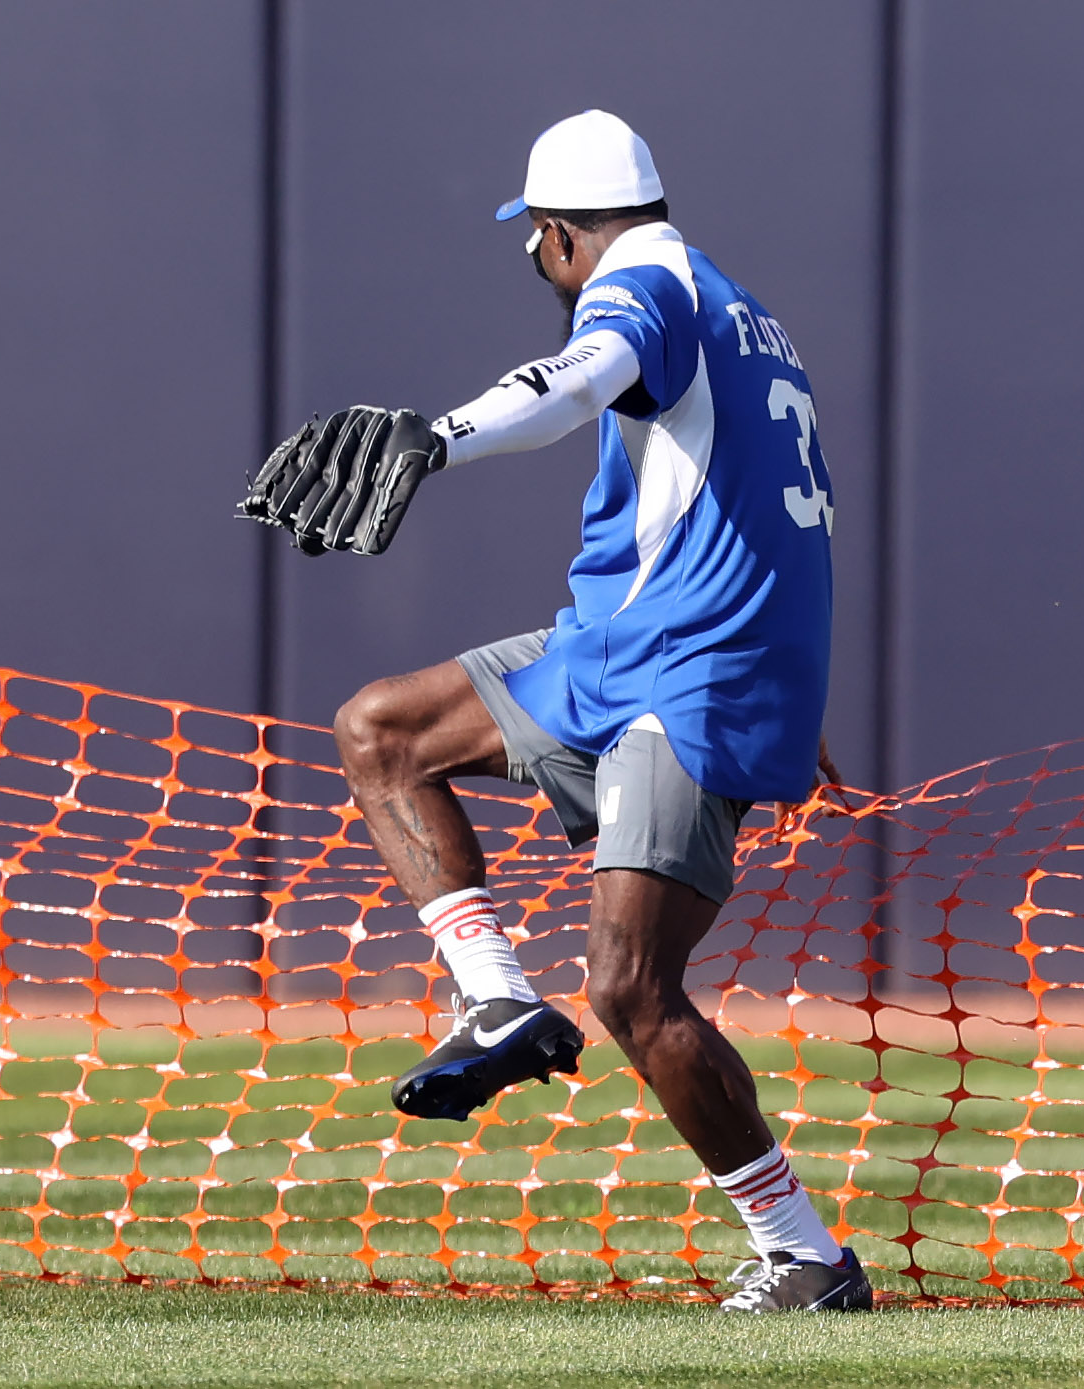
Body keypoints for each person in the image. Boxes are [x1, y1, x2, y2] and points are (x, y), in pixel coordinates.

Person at [330, 110, 866, 1313]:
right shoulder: (737, 308)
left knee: (630, 989)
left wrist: (435, 439)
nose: (538, 262)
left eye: (537, 241)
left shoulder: (644, 288)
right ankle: (499, 1001)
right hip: (627, 646)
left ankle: (804, 1256)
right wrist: (794, 673)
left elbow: (572, 384)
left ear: (560, 235)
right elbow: (774, 511)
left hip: (688, 674)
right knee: (381, 732)